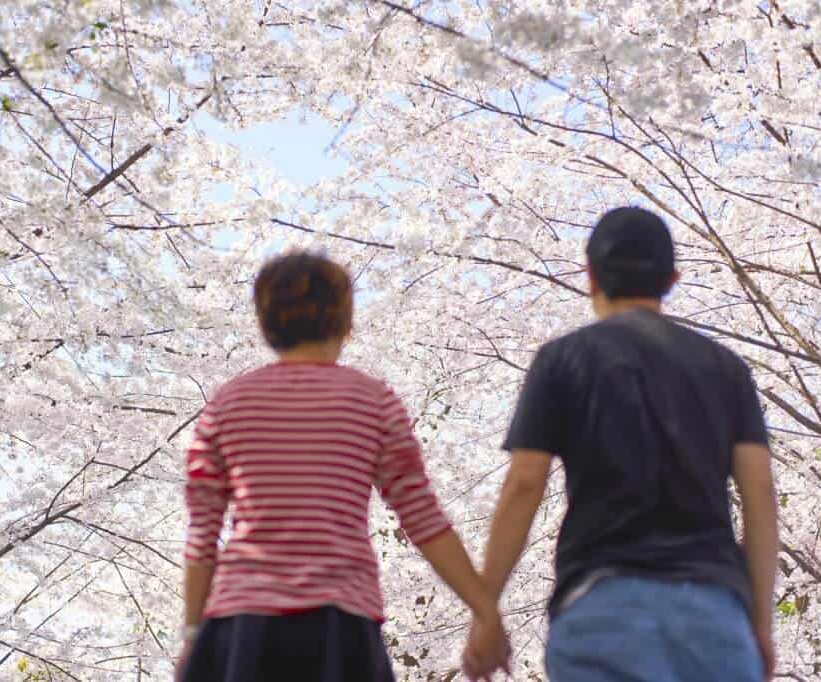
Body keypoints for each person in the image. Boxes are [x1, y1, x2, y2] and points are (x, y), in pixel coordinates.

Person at [466, 207, 779, 681]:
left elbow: (525, 484)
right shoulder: (727, 368)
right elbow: (760, 496)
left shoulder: (561, 361)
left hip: (601, 608)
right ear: (672, 279)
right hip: (713, 614)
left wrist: (486, 608)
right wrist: (758, 625)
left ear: (590, 276)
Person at [175, 251, 509, 681]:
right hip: (339, 625)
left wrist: (192, 635)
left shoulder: (226, 404)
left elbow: (203, 534)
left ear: (266, 324)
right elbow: (422, 519)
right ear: (345, 321)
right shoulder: (373, 401)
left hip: (242, 627)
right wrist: (485, 609)